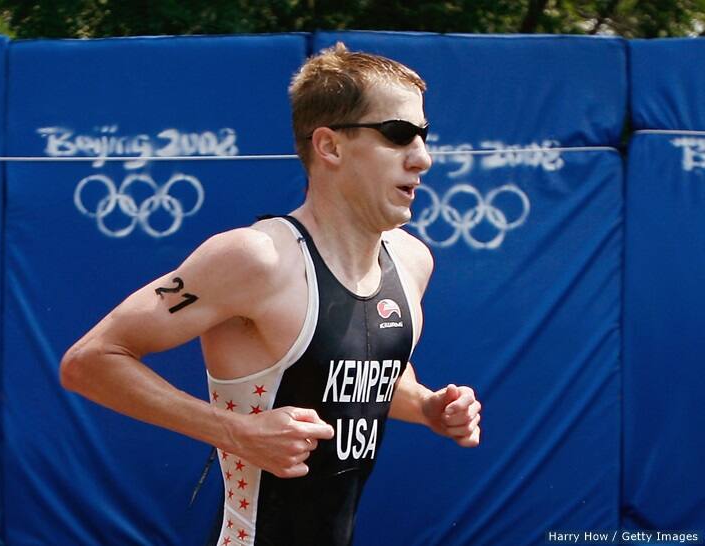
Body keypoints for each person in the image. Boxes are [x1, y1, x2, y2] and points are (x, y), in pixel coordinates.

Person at [60, 42, 482, 546]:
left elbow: (364, 377)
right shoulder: (256, 258)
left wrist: (429, 405)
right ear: (329, 146)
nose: (423, 158)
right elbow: (88, 361)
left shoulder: (412, 262)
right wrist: (237, 432)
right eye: (398, 135)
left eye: (424, 135)